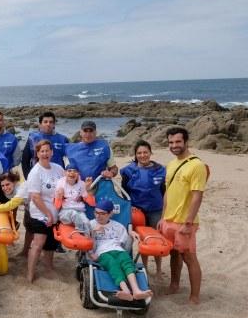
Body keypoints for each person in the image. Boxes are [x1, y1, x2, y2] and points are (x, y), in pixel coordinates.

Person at [160, 127, 207, 305]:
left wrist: (188, 222)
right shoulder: (171, 165)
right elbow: (168, 192)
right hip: (169, 219)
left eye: (178, 142)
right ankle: (174, 285)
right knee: (174, 254)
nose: (174, 145)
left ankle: (194, 297)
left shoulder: (196, 165)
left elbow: (197, 196)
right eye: (171, 142)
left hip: (185, 221)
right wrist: (163, 217)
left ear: (186, 142)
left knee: (189, 257)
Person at [89, 199, 153, 301]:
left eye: (102, 213)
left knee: (127, 262)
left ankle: (136, 291)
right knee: (112, 264)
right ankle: (126, 290)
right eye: (96, 212)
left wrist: (131, 235)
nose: (98, 216)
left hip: (119, 250)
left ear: (110, 214)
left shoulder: (118, 226)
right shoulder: (90, 224)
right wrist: (92, 233)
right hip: (102, 252)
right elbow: (88, 246)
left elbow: (125, 248)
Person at [121, 140, 167, 276]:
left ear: (150, 153)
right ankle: (145, 267)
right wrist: (130, 207)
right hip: (138, 212)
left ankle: (159, 268)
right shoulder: (128, 171)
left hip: (156, 210)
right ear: (135, 155)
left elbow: (164, 192)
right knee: (143, 240)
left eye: (145, 152)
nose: (143, 155)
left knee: (156, 239)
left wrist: (165, 213)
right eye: (139, 153)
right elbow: (124, 194)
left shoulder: (161, 170)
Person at [24, 140, 65, 282]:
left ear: (52, 152)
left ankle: (49, 267)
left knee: (51, 244)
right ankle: (30, 273)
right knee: (38, 243)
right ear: (37, 154)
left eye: (48, 150)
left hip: (56, 214)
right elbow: (35, 197)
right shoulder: (35, 172)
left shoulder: (58, 168)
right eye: (42, 151)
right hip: (40, 214)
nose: (45, 153)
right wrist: (48, 214)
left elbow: (67, 185)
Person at [22, 112, 69, 176]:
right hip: (38, 175)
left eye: (51, 122)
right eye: (45, 122)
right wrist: (27, 176)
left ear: (54, 124)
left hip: (57, 175)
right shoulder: (33, 138)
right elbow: (25, 159)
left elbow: (70, 159)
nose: (48, 124)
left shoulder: (62, 139)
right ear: (40, 124)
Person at [55, 163, 95, 233]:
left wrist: (88, 190)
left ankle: (89, 240)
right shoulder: (61, 183)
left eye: (75, 171)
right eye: (69, 171)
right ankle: (80, 233)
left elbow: (92, 203)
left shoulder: (82, 184)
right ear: (65, 173)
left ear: (78, 173)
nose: (72, 173)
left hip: (79, 212)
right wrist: (59, 196)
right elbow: (57, 206)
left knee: (87, 222)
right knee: (74, 214)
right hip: (65, 212)